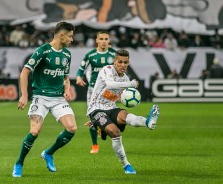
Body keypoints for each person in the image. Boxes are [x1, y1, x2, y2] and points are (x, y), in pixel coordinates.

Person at [12, 21, 77, 177]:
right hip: (40, 97)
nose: (72, 40)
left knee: (72, 128)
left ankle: (48, 153)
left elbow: (66, 77)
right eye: (70, 36)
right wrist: (24, 95)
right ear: (61, 35)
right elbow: (24, 73)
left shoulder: (67, 54)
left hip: (58, 99)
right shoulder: (43, 51)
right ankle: (19, 163)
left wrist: (67, 89)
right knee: (34, 131)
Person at [86, 49, 160, 174]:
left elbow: (117, 96)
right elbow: (110, 85)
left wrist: (128, 99)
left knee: (125, 115)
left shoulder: (125, 78)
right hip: (96, 110)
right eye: (120, 62)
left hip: (111, 107)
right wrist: (130, 84)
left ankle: (147, 122)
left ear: (128, 63)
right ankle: (126, 165)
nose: (122, 65)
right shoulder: (107, 70)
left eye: (125, 63)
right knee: (114, 132)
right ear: (114, 61)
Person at [76, 31, 116, 154]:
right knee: (92, 117)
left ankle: (103, 129)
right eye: (101, 39)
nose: (104, 41)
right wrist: (78, 77)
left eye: (106, 39)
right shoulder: (90, 55)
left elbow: (121, 69)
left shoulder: (114, 54)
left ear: (109, 40)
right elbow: (81, 69)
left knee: (109, 114)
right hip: (93, 90)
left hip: (109, 90)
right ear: (97, 40)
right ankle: (95, 145)